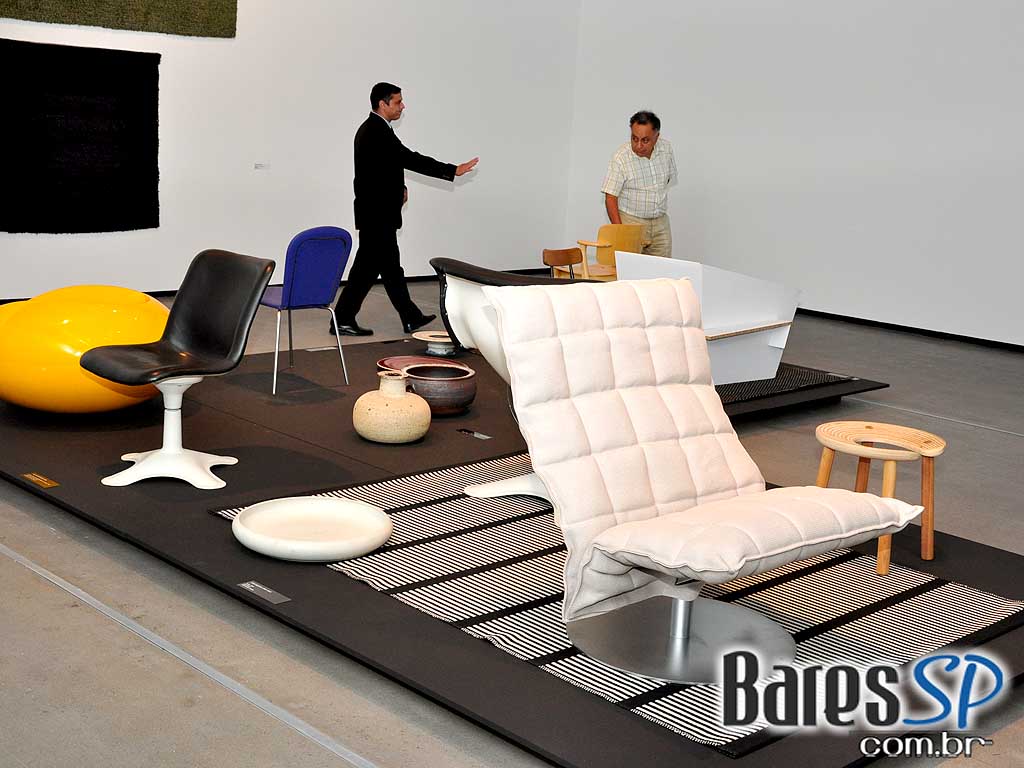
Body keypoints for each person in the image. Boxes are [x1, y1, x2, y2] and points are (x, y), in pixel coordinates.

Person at [331, 82, 479, 336]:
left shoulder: (377, 128)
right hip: (377, 215)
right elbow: (407, 158)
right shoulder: (375, 130)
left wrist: (398, 188)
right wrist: (452, 170)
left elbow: (381, 169)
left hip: (376, 213)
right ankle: (347, 318)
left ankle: (407, 317)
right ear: (383, 104)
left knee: (382, 269)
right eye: (398, 102)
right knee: (373, 270)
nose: (403, 106)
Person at [600, 110, 676, 259]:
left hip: (660, 223)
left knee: (662, 269)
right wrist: (621, 232)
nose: (638, 145)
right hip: (631, 221)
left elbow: (667, 180)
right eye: (634, 139)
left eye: (645, 140)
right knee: (629, 269)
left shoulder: (666, 149)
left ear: (657, 137)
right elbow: (610, 198)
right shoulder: (621, 157)